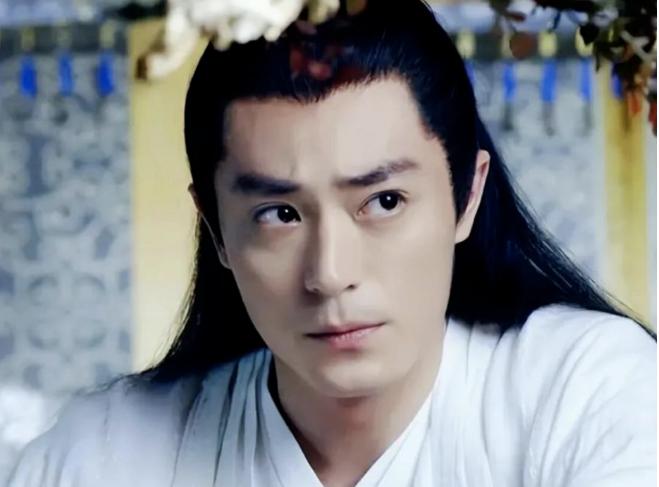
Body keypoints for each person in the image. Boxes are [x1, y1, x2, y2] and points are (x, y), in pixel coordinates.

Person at [8, 1, 656, 486]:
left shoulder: (585, 390)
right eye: (279, 214)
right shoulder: (107, 453)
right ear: (216, 228)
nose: (330, 273)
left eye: (384, 202)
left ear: (467, 194)